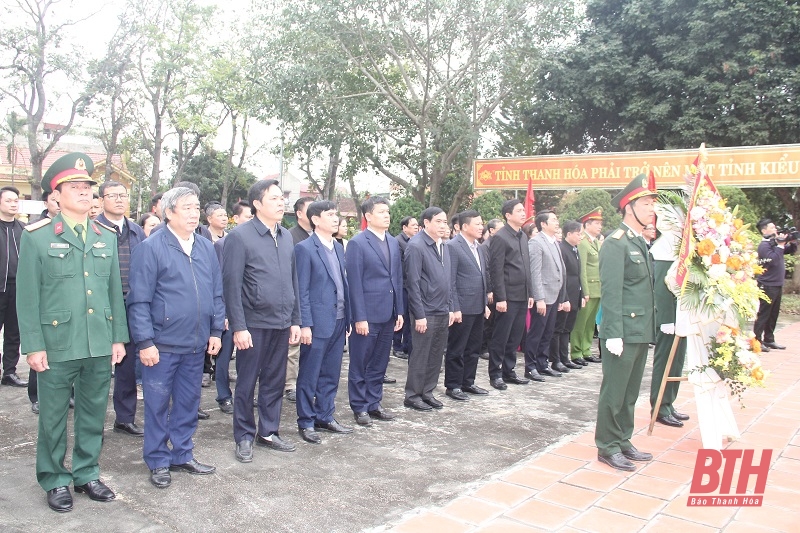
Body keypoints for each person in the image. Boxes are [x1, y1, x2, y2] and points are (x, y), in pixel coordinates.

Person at [17, 153, 128, 512]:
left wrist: (117, 337)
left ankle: (86, 472)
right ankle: (54, 478)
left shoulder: (105, 236)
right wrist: (33, 346)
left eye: (87, 188)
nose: (84, 193)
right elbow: (27, 298)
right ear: (57, 195)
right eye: (74, 188)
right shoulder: (37, 237)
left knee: (94, 412)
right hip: (57, 343)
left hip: (98, 340)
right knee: (52, 418)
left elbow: (114, 291)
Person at [127, 187, 224, 489]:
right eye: (187, 208)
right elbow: (139, 300)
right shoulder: (152, 247)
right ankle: (157, 459)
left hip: (196, 344)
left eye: (196, 208)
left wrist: (216, 330)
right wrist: (144, 342)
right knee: (156, 404)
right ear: (169, 212)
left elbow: (216, 292)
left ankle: (182, 453)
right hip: (162, 344)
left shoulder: (206, 247)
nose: (194, 214)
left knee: (188, 401)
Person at [222, 180, 301, 463]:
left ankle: (268, 431)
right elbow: (231, 286)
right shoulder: (240, 237)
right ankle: (244, 435)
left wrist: (296, 320)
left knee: (274, 380)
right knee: (246, 382)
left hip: (281, 322)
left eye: (283, 198)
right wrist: (239, 326)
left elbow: (293, 281)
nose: (282, 203)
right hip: (253, 324)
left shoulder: (286, 236)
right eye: (275, 198)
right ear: (257, 203)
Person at [595, 174, 657, 472]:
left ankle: (623, 438)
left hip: (640, 329)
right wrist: (612, 333)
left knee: (631, 391)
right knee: (615, 390)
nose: (651, 209)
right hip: (622, 330)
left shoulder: (639, 242)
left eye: (652, 204)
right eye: (646, 204)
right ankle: (607, 445)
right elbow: (612, 291)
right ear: (628, 207)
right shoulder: (615, 243)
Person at [294, 201, 353, 443]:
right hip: (317, 323)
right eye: (330, 215)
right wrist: (304, 323)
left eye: (335, 214)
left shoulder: (338, 247)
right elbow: (302, 290)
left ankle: (325, 415)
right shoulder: (305, 249)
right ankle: (306, 421)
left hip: (339, 319)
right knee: (310, 373)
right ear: (316, 219)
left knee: (331, 372)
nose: (335, 218)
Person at [346, 196, 404, 426]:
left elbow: (397, 278)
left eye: (388, 212)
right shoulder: (358, 243)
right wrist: (359, 317)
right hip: (367, 316)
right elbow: (355, 283)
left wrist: (399, 310)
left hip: (388, 314)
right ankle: (359, 407)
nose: (387, 216)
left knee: (380, 363)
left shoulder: (392, 242)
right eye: (381, 212)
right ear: (368, 216)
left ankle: (374, 403)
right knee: (360, 362)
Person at [95, 181, 147, 437]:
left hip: (130, 304)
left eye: (123, 195)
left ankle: (124, 417)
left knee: (126, 363)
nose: (119, 200)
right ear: (101, 199)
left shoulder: (136, 231)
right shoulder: (91, 228)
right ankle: (91, 418)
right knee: (95, 364)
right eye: (112, 195)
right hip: (97, 306)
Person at [403, 207, 454, 411]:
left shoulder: (444, 246)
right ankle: (413, 394)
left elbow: (448, 280)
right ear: (426, 223)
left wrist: (450, 307)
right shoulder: (416, 246)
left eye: (445, 221)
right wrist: (419, 314)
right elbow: (412, 283)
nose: (443, 225)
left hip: (442, 309)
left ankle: (427, 391)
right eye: (439, 221)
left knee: (436, 354)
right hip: (425, 311)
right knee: (421, 354)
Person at [649, 203, 690, 428]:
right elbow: (661, 287)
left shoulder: (679, 244)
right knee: (665, 360)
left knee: (677, 360)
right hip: (669, 318)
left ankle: (669, 402)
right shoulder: (663, 247)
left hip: (680, 315)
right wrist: (665, 319)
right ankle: (660, 405)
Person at [444, 210, 490, 400]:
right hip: (461, 307)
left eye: (481, 224)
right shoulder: (453, 246)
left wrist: (485, 303)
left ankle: (468, 382)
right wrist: (454, 307)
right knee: (457, 348)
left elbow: (482, 276)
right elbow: (451, 280)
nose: (481, 227)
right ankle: (453, 385)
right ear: (463, 226)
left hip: (478, 306)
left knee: (473, 348)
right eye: (477, 224)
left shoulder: (478, 247)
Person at [487, 199, 533, 390]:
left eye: (524, 210)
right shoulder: (501, 237)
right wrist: (501, 298)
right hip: (508, 296)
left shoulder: (522, 236)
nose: (523, 213)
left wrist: (530, 292)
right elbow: (496, 270)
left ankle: (509, 370)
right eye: (519, 210)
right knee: (501, 336)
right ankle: (495, 373)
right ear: (508, 215)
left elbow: (526, 267)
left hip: (522, 295)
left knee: (515, 337)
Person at [213, 202, 252, 415]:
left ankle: (244, 395)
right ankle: (224, 395)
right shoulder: (223, 244)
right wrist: (225, 312)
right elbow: (221, 281)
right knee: (224, 355)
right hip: (229, 311)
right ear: (235, 219)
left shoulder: (256, 241)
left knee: (248, 357)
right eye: (246, 216)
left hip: (251, 310)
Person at [524, 211, 568, 381]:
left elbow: (559, 270)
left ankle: (543, 364)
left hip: (554, 294)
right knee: (536, 332)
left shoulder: (554, 242)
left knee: (548, 332)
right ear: (543, 224)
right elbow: (535, 273)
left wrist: (562, 297)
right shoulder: (536, 242)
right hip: (543, 296)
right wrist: (538, 298)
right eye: (554, 220)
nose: (557, 223)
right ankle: (530, 366)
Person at [285, 196, 314, 403]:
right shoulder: (291, 237)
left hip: (314, 300)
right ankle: (289, 384)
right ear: (299, 214)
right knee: (293, 347)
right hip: (296, 298)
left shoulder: (318, 237)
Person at [753, 218, 797, 351]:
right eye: (772, 227)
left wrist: (793, 241)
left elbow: (789, 250)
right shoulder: (764, 245)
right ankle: (757, 341)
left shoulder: (775, 244)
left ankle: (769, 339)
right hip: (767, 284)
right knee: (764, 313)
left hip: (777, 284)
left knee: (773, 314)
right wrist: (780, 245)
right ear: (764, 230)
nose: (775, 229)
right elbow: (773, 260)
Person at [0, 187, 28, 389]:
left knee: (13, 332)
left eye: (15, 200)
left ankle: (9, 371)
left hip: (18, 288)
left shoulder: (24, 229)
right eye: (9, 200)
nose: (13, 204)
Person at [570, 208, 604, 365]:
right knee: (581, 322)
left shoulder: (596, 242)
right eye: (596, 223)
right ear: (587, 225)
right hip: (588, 288)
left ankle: (586, 350)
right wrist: (584, 291)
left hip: (598, 288)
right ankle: (576, 352)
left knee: (590, 323)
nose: (599, 227)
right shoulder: (583, 243)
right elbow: (582, 269)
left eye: (600, 224)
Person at [550, 220, 584, 373]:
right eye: (578, 234)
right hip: (565, 295)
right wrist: (563, 298)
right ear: (569, 234)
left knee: (567, 329)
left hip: (574, 294)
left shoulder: (575, 249)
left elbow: (578, 275)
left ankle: (565, 358)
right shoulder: (562, 249)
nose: (580, 237)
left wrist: (581, 294)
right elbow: (561, 275)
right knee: (559, 328)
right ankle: (556, 360)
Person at [393, 216, 418, 360]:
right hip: (402, 284)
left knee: (410, 318)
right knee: (401, 316)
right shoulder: (398, 242)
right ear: (404, 228)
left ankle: (408, 345)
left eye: (417, 225)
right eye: (413, 225)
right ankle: (397, 345)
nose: (416, 227)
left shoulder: (414, 242)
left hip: (411, 285)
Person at [478, 219, 503, 360]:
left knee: (494, 320)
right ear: (492, 230)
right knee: (487, 321)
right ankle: (483, 347)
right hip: (490, 289)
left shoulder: (499, 244)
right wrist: (489, 290)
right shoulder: (486, 246)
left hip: (498, 288)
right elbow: (486, 270)